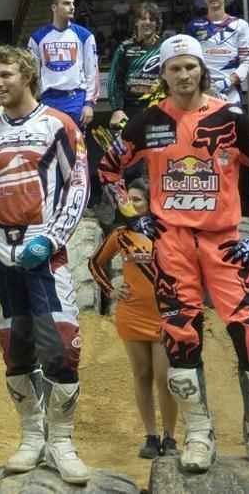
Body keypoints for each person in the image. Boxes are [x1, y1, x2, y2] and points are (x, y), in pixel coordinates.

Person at [97, 34, 249, 475]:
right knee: (181, 339)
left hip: (224, 241)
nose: (183, 75)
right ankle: (198, 434)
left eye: (190, 66)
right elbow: (108, 167)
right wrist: (133, 218)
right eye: (175, 67)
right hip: (173, 245)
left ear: (202, 69)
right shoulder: (148, 120)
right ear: (162, 74)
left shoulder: (231, 118)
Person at [0, 46, 92, 484]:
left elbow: (78, 187)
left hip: (43, 249)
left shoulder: (59, 125)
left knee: (61, 345)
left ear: (28, 76)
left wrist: (54, 238)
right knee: (15, 350)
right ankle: (31, 436)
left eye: (5, 75)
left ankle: (63, 442)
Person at [86, 179, 178, 459]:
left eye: (137, 199)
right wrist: (110, 289)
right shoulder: (121, 234)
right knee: (142, 376)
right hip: (132, 313)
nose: (132, 204)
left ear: (151, 201)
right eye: (128, 200)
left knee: (164, 378)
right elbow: (95, 263)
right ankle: (151, 436)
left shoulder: (168, 232)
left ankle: (170, 438)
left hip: (164, 315)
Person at [26, 0, 98, 127]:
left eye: (73, 3)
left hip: (75, 99)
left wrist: (89, 103)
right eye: (66, 3)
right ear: (54, 7)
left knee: (76, 146)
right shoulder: (37, 37)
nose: (72, 7)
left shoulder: (85, 35)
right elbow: (32, 73)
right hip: (48, 99)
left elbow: (92, 72)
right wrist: (32, 100)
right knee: (50, 146)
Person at [186, 0, 249, 106]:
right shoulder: (193, 25)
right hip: (202, 91)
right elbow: (189, 60)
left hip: (231, 92)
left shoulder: (240, 25)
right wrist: (203, 84)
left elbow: (247, 62)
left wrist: (226, 83)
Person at [107, 2, 164, 128]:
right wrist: (117, 109)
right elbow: (114, 81)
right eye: (143, 18)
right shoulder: (125, 47)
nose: (147, 22)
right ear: (136, 22)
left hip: (160, 108)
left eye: (152, 19)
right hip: (131, 109)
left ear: (157, 24)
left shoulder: (165, 46)